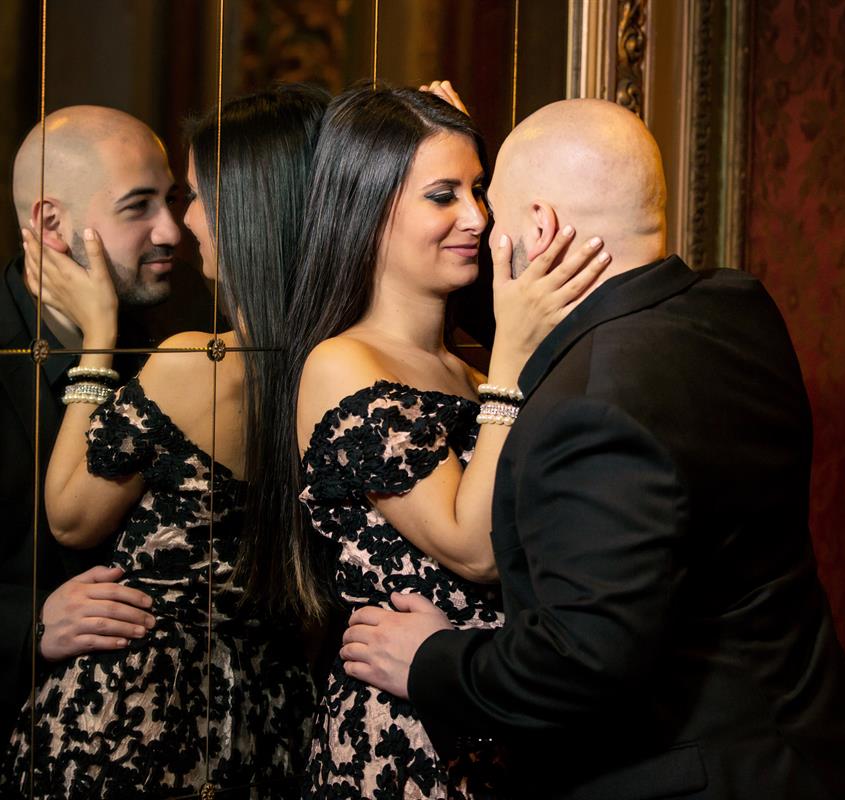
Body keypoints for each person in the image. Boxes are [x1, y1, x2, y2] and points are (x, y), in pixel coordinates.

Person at [341, 98, 845, 799]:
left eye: (493, 207)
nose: (484, 230)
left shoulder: (590, 404)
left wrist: (431, 660)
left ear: (539, 227)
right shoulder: (737, 307)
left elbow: (580, 666)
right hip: (815, 756)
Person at [257, 84, 610, 798]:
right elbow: (473, 548)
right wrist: (511, 359)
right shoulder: (342, 362)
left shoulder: (471, 373)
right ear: (367, 209)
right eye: (442, 195)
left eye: (478, 191)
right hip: (403, 737)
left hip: (492, 719)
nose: (475, 217)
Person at [0, 84, 328, 799]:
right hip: (277, 720)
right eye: (143, 204)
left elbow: (71, 517)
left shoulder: (193, 360)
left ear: (253, 211)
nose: (182, 227)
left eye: (192, 197)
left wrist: (98, 342)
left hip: (147, 719)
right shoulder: (341, 362)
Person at [0, 105, 188, 799]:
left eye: (172, 200)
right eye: (139, 207)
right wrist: (29, 622)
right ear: (51, 224)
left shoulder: (171, 351)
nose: (171, 231)